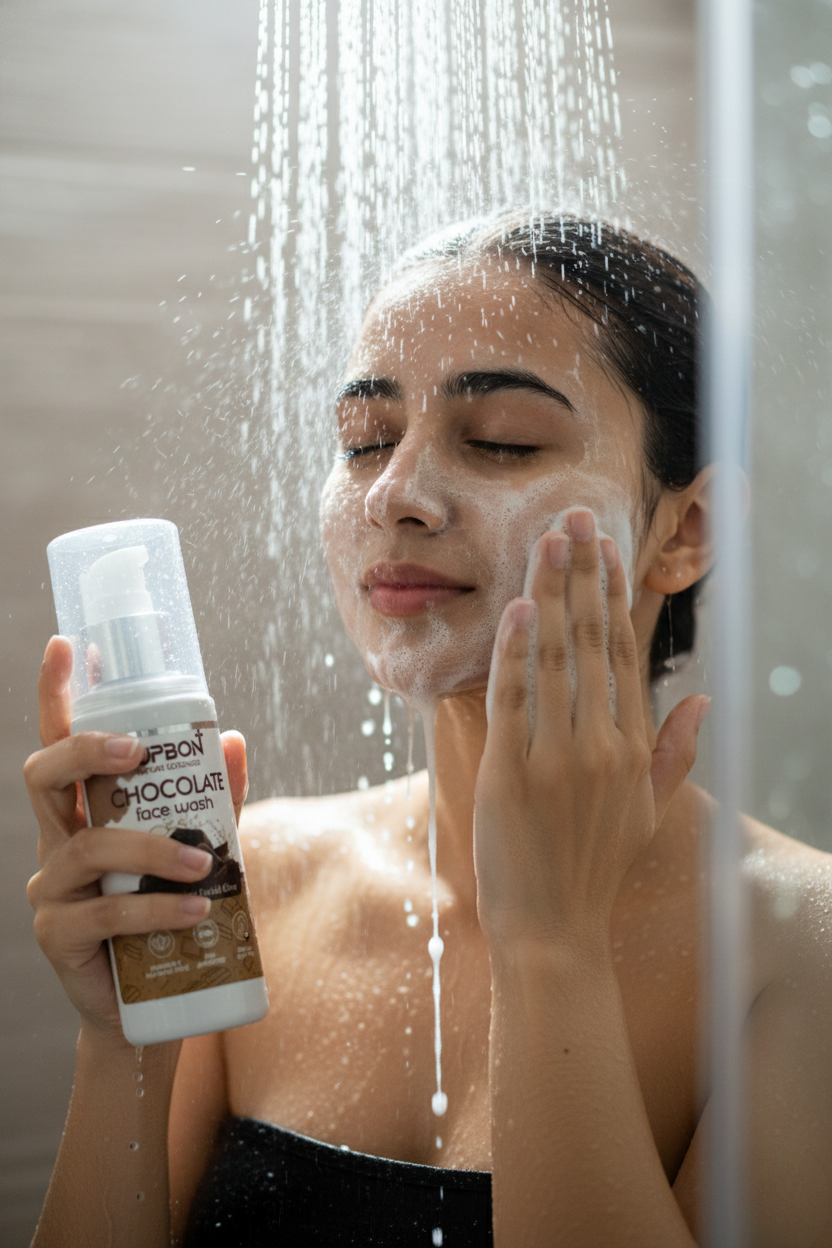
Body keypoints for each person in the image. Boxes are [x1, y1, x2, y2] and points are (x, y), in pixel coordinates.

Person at [24, 213, 832, 1247]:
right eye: (363, 442)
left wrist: (551, 946)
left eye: (500, 440)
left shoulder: (798, 949)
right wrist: (124, 1046)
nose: (394, 494)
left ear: (686, 530)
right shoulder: (240, 888)